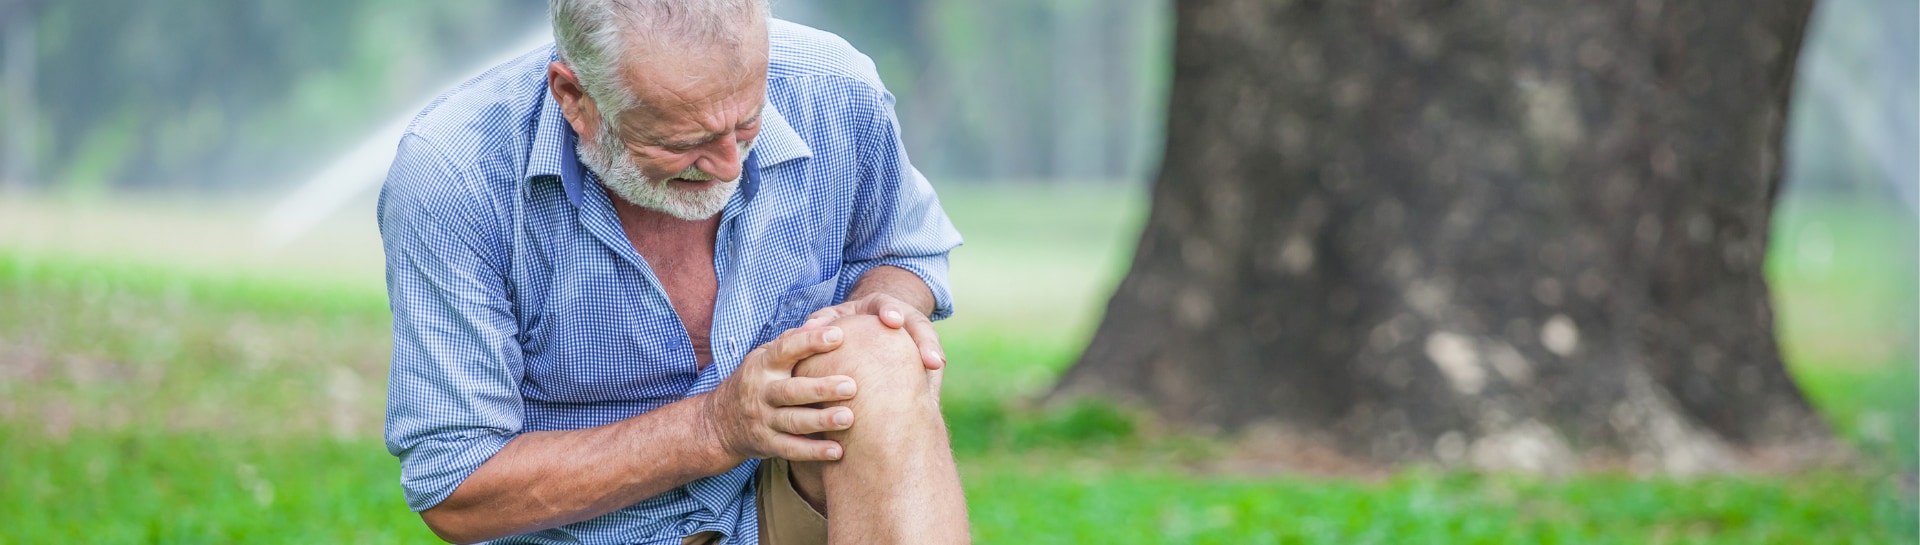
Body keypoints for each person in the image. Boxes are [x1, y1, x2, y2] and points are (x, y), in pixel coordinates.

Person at [377, 0, 969, 543]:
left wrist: (881, 303)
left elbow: (901, 250)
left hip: (780, 506)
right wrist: (714, 428)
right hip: (582, 532)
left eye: (749, 123)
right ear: (574, 99)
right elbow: (456, 489)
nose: (730, 164)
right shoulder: (454, 172)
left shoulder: (833, 86)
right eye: (686, 141)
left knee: (878, 349)